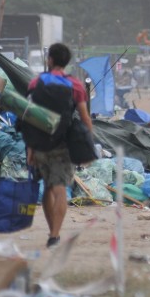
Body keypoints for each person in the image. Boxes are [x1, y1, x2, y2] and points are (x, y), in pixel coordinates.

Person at [26, 43, 92, 249]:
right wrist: (88, 145)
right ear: (67, 62)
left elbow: (29, 116)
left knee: (47, 187)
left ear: (50, 60)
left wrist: (30, 147)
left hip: (39, 144)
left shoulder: (36, 83)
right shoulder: (75, 85)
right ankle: (54, 234)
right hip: (63, 144)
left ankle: (51, 231)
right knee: (60, 187)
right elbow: (84, 118)